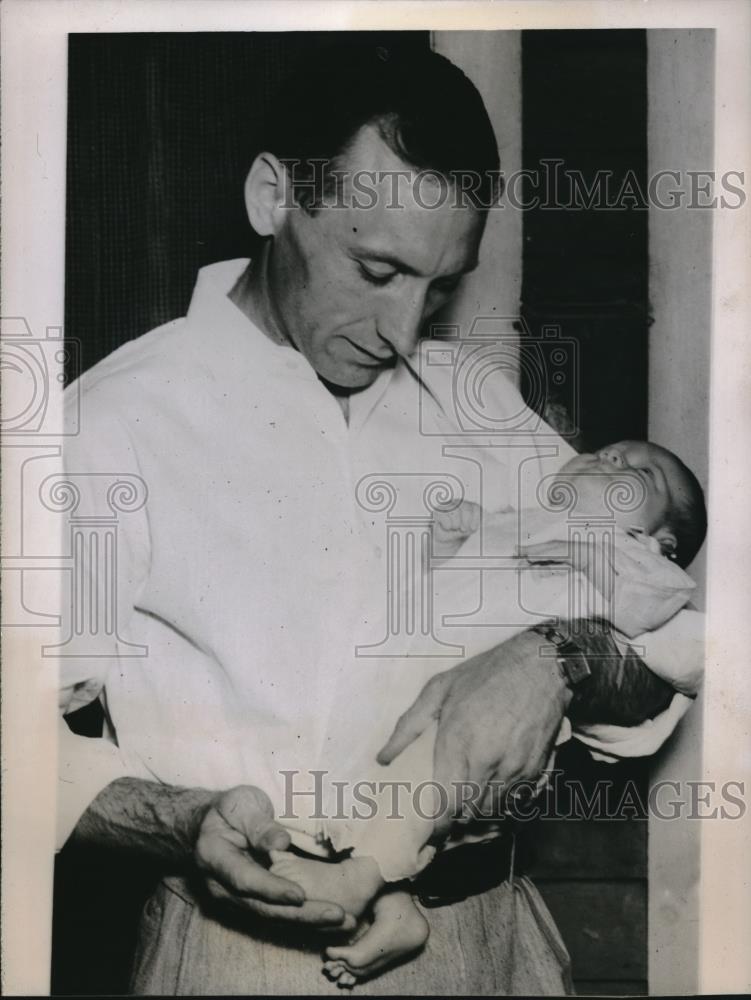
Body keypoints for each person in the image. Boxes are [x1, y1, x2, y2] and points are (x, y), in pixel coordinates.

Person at [58, 44, 705, 994]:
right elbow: (19, 749)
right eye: (375, 270)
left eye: (438, 286)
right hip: (247, 958)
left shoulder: (473, 399)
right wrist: (183, 822)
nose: (405, 334)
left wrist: (553, 658)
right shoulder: (107, 422)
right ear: (273, 196)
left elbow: (673, 646)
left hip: (489, 937)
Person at [262, 436, 706, 986]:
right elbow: (430, 585)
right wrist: (449, 542)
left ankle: (361, 876)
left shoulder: (630, 555)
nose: (612, 459)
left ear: (658, 538)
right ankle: (393, 903)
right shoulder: (517, 523)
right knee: (363, 764)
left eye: (643, 473)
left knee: (429, 771)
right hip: (407, 677)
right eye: (608, 452)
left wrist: (591, 550)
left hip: (477, 713)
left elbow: (664, 619)